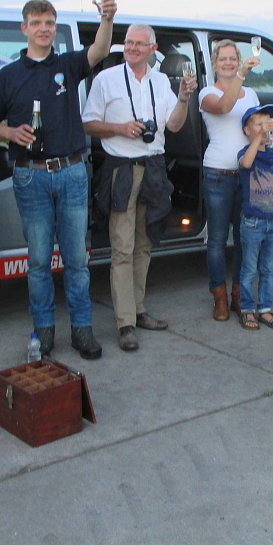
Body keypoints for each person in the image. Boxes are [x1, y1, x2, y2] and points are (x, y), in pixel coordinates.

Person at [0, 0, 117, 360]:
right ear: (24, 28)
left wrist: (106, 19)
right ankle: (43, 330)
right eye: (37, 23)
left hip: (71, 172)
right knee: (39, 261)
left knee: (76, 260)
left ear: (55, 28)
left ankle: (82, 329)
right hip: (30, 177)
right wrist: (11, 133)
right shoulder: (8, 75)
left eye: (50, 23)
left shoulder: (68, 65)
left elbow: (99, 50)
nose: (44, 29)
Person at [82, 23, 196, 351]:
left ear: (152, 49)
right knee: (122, 248)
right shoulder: (106, 79)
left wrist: (184, 97)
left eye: (138, 43)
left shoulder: (161, 81)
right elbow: (88, 124)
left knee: (144, 246)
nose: (131, 47)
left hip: (154, 168)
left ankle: (139, 309)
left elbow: (173, 125)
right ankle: (126, 324)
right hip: (121, 170)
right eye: (128, 42)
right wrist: (120, 128)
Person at [199, 40, 261, 321]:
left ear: (238, 60)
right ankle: (219, 297)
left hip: (246, 174)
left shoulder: (251, 94)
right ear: (215, 63)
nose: (227, 63)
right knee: (217, 240)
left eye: (232, 59)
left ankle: (238, 293)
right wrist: (241, 75)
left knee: (243, 239)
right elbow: (225, 106)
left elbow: (257, 129)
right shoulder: (207, 93)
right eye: (222, 59)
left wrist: (272, 141)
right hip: (217, 174)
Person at [236, 104, 273, 331]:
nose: (266, 127)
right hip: (252, 221)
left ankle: (265, 308)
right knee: (249, 269)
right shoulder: (245, 153)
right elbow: (246, 163)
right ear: (247, 130)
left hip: (272, 220)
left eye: (269, 123)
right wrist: (259, 137)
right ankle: (247, 309)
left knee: (268, 269)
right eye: (260, 124)